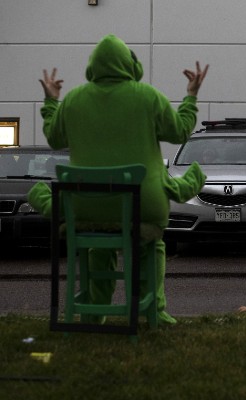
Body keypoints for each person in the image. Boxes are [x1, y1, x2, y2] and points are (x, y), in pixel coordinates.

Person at [31, 34, 208, 324]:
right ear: (130, 65)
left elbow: (53, 137)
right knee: (151, 244)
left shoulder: (74, 99)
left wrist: (51, 102)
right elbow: (179, 132)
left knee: (97, 246)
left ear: (93, 67)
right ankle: (153, 309)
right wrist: (190, 95)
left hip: (85, 210)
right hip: (143, 209)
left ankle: (95, 311)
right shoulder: (147, 96)